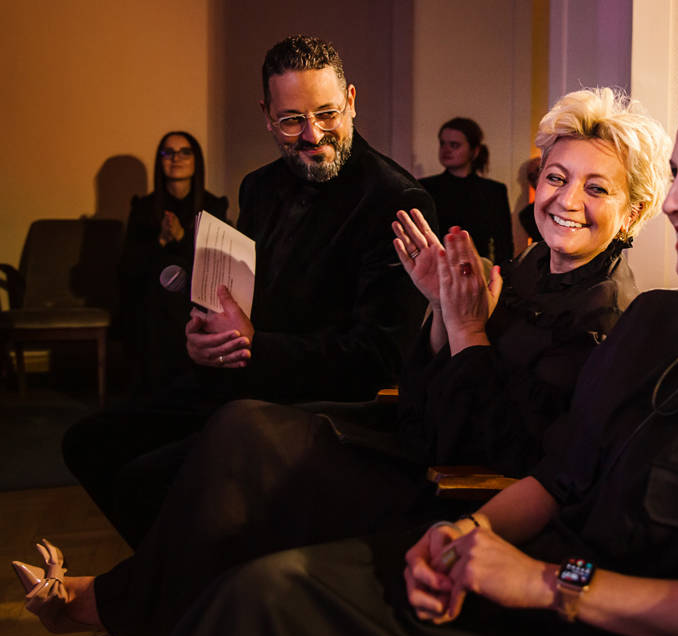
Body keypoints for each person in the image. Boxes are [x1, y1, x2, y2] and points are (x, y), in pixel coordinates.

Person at [136, 73, 678, 636]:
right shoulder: (659, 320)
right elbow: (559, 476)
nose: (673, 200)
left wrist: (546, 583)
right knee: (256, 589)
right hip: (538, 584)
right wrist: (468, 534)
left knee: (269, 604)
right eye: (674, 173)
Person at [11, 88, 673, 636]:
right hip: (421, 435)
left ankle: (116, 603)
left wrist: (467, 325)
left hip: (455, 490)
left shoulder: (605, 315)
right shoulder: (534, 270)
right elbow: (437, 388)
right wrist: (442, 310)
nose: (567, 200)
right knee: (226, 435)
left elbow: (498, 447)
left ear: (635, 213)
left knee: (245, 435)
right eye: (557, 177)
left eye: (597, 187)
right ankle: (166, 606)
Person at [60, 35, 435, 546]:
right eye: (291, 120)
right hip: (244, 381)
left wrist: (255, 345)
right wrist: (206, 335)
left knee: (145, 480)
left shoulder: (397, 200)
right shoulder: (259, 186)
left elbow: (379, 358)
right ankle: (189, 589)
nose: (312, 135)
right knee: (88, 442)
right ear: (266, 115)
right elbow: (239, 298)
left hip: (322, 407)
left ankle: (189, 596)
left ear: (351, 100)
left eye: (326, 114)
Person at [117, 131, 228, 392]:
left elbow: (217, 263)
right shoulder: (143, 208)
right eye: (168, 152)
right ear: (160, 161)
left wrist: (182, 238)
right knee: (152, 301)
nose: (176, 158)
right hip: (152, 302)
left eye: (184, 152)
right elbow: (128, 266)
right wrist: (162, 242)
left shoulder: (213, 206)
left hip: (195, 298)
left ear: (195, 160)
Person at [421, 118, 515, 265]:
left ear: (474, 151)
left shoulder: (493, 191)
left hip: (478, 272)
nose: (446, 150)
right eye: (442, 144)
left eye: (454, 145)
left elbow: (503, 246)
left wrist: (501, 279)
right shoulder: (425, 187)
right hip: (434, 269)